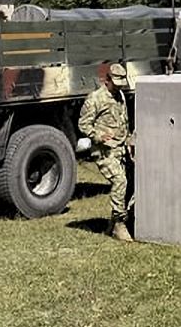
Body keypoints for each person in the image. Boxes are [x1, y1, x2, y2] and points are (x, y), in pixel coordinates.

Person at [79, 63, 134, 242]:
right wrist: (98, 136)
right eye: (115, 83)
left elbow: (123, 122)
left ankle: (113, 224)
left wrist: (129, 141)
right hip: (104, 151)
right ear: (107, 79)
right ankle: (119, 224)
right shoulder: (95, 98)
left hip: (121, 149)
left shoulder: (120, 96)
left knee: (130, 183)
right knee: (120, 181)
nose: (118, 87)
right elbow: (83, 124)